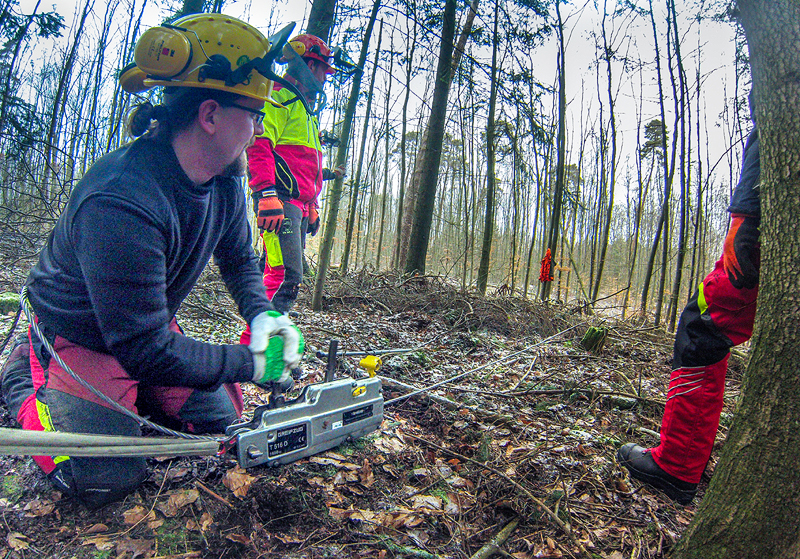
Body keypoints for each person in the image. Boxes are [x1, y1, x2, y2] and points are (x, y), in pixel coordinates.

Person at [0, 14, 303, 508]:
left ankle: (123, 400)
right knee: (101, 479)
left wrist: (261, 312)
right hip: (82, 336)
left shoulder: (225, 173)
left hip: (143, 329)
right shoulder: (122, 201)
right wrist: (253, 363)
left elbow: (238, 253)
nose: (258, 128)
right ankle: (24, 376)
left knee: (221, 425)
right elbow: (147, 350)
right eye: (253, 113)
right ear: (210, 115)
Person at [618, 93, 760, 505]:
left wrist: (745, 221)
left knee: (702, 328)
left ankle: (677, 466)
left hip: (757, 230)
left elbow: (774, 138)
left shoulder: (787, 73)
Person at [243, 33, 345, 332]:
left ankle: (266, 355)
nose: (324, 78)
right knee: (284, 275)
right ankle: (257, 356)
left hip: (296, 205)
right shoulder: (279, 96)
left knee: (285, 276)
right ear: (304, 64)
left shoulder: (305, 109)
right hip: (280, 201)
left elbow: (306, 168)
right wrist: (266, 194)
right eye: (321, 69)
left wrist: (312, 204)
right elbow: (258, 145)